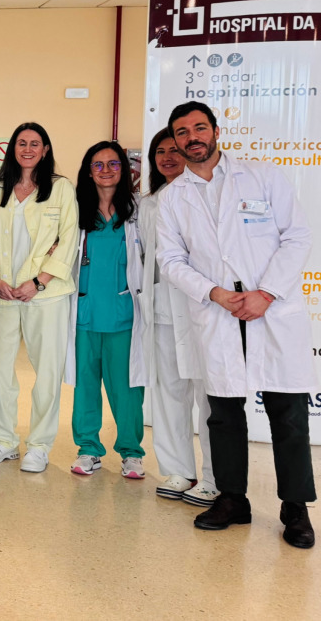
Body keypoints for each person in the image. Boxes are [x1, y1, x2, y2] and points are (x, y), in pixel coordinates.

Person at [157, 101, 315, 550]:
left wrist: (266, 293)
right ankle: (233, 499)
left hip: (272, 311)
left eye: (199, 128)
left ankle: (295, 507)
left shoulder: (261, 175)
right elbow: (171, 260)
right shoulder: (173, 198)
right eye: (182, 132)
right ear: (176, 140)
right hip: (218, 313)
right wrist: (215, 293)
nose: (192, 138)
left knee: (288, 412)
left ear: (216, 131)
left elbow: (297, 235)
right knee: (223, 415)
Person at [0, 122, 78, 474]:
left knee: (46, 370)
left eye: (36, 143)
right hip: (1, 293)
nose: (29, 148)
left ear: (46, 149)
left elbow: (68, 240)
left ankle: (39, 445)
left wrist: (39, 281)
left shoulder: (61, 189)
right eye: (22, 143)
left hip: (45, 295)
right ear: (12, 149)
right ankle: (4, 440)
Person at [139, 129, 218, 506]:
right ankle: (179, 470)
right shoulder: (148, 203)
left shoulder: (207, 196)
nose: (168, 157)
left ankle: (214, 477)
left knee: (209, 397)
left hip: (202, 310)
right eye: (160, 151)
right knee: (170, 393)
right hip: (161, 311)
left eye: (175, 149)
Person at [68, 141, 145, 479]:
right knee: (85, 385)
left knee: (127, 388)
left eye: (113, 164)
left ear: (124, 170)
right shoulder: (76, 210)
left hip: (123, 312)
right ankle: (88, 449)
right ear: (88, 171)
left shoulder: (138, 210)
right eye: (97, 165)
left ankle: (131, 452)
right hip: (84, 312)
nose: (105, 170)